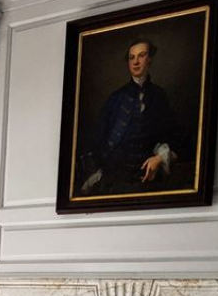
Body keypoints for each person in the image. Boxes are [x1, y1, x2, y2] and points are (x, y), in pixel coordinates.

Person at [77, 37, 186, 197]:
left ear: (149, 60)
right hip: (115, 178)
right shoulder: (115, 98)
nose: (136, 62)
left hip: (148, 178)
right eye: (131, 57)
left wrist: (159, 158)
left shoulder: (159, 95)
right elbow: (98, 140)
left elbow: (173, 135)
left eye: (141, 55)